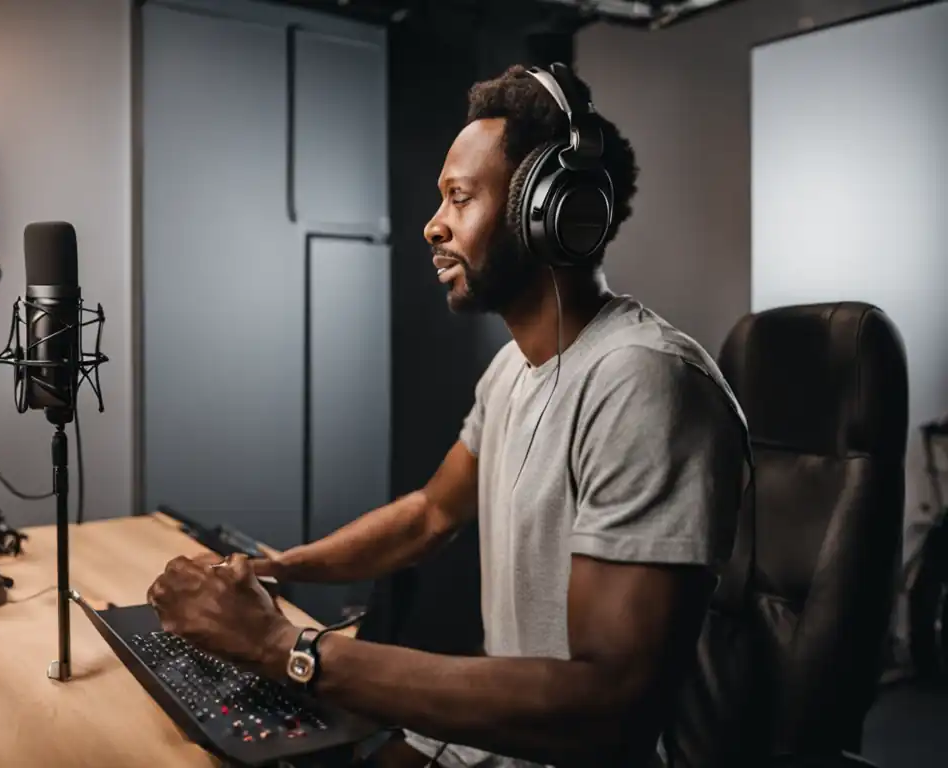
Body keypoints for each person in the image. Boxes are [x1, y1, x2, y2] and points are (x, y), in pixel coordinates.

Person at [146, 63, 749, 768]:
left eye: (459, 198)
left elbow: (604, 707)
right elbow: (430, 514)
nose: (433, 226)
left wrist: (283, 648)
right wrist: (271, 571)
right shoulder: (513, 371)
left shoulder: (643, 383)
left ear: (549, 212)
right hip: (488, 745)